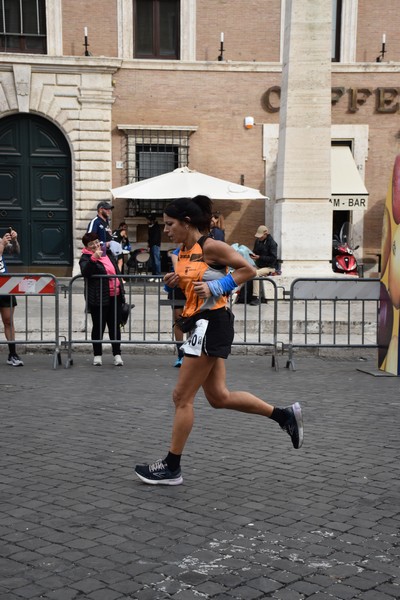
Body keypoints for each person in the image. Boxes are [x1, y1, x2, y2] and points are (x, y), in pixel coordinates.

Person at [134, 195, 303, 486]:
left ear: (187, 223)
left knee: (181, 397)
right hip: (200, 325)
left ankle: (171, 467)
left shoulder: (211, 246)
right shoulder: (184, 251)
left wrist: (217, 284)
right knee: (218, 397)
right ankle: (284, 416)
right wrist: (174, 280)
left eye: (170, 224)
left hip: (212, 324)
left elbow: (248, 269)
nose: (166, 230)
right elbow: (196, 282)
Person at [79, 232, 125, 367]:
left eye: (96, 242)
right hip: (98, 297)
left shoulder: (107, 254)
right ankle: (97, 355)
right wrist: (93, 259)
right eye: (91, 244)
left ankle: (117, 355)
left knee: (114, 326)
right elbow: (86, 272)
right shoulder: (85, 257)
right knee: (98, 326)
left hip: (115, 296)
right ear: (87, 247)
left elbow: (115, 270)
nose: (95, 245)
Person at [0, 228, 23, 366]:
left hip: (4, 285)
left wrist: (14, 241)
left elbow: (16, 251)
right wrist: (2, 245)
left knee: (8, 321)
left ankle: (12, 354)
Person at [166, 247, 186, 368]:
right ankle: (181, 354)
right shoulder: (177, 252)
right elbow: (178, 269)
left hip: (192, 288)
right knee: (179, 321)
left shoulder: (199, 249)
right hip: (178, 288)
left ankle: (190, 353)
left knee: (193, 321)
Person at [249, 225, 279, 306]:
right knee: (246, 270)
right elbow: (255, 251)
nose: (259, 238)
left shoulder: (272, 243)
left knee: (256, 273)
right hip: (259, 265)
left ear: (266, 234)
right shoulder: (257, 241)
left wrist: (260, 257)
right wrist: (253, 255)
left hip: (270, 267)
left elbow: (273, 258)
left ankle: (256, 297)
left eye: (261, 236)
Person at [147, 213, 161, 278]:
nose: (147, 222)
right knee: (153, 261)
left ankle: (158, 275)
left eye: (148, 220)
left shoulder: (156, 227)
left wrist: (150, 245)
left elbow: (155, 238)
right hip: (152, 245)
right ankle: (154, 275)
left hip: (155, 245)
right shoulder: (151, 227)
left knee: (156, 260)